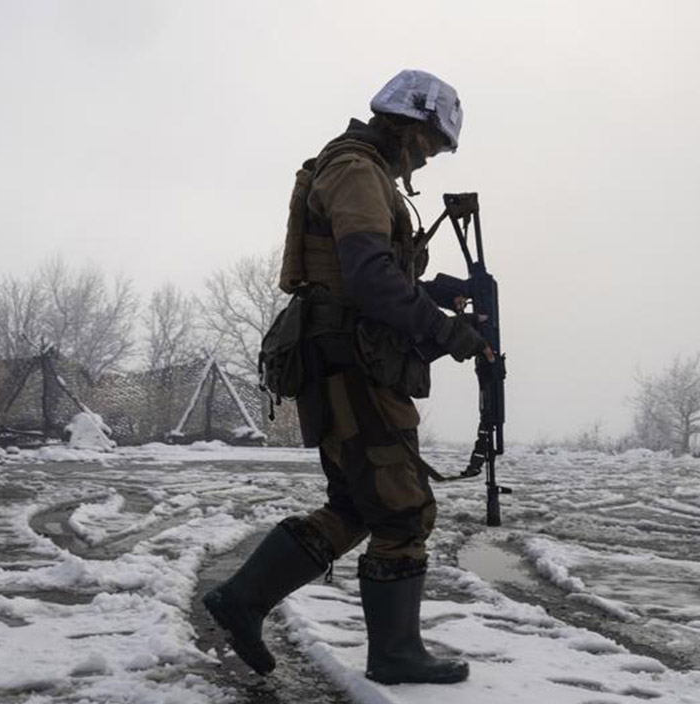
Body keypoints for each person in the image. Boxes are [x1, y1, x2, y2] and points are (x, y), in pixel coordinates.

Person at [203, 69, 490, 686]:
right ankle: (394, 655)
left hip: (343, 358)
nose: (431, 158)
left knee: (358, 504)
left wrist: (439, 292)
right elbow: (367, 279)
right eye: (433, 145)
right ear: (410, 127)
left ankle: (243, 599)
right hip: (352, 364)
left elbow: (368, 271)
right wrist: (444, 331)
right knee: (403, 512)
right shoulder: (359, 171)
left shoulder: (358, 170)